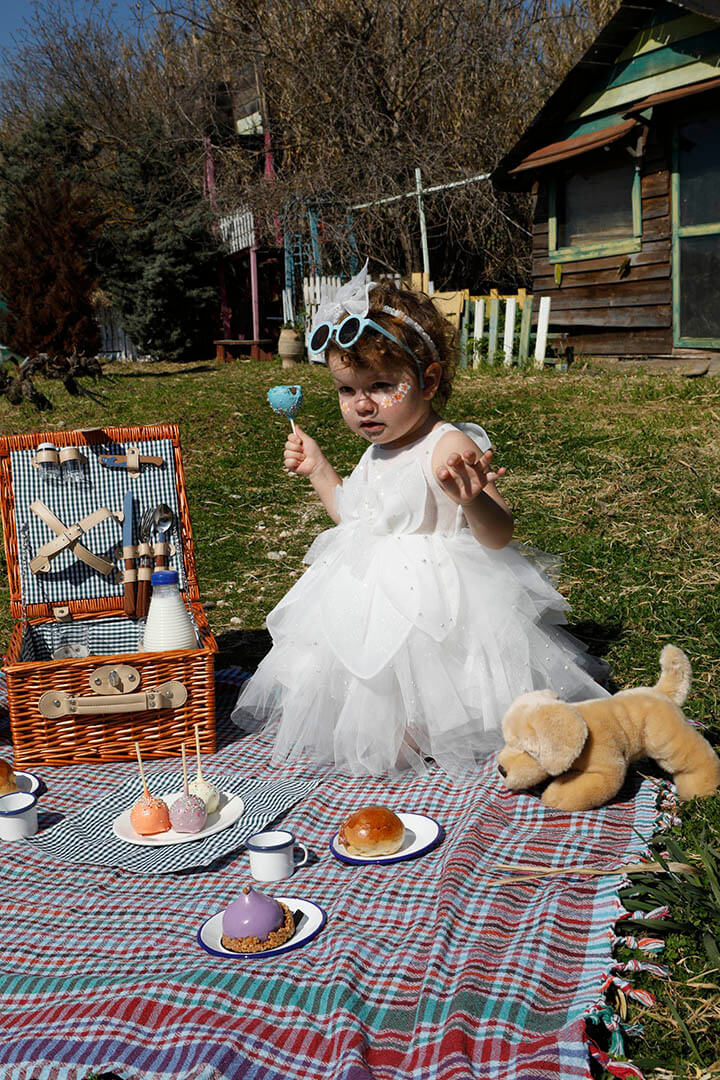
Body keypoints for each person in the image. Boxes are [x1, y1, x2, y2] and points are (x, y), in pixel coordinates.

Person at [232, 264, 609, 777]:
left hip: (438, 610)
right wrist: (319, 469)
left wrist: (474, 500)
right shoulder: (378, 449)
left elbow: (499, 535)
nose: (362, 405)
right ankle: (391, 722)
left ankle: (436, 725)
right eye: (346, 390)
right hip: (373, 600)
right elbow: (357, 519)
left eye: (381, 385)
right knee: (366, 686)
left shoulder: (446, 446)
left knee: (431, 692)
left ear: (427, 382)